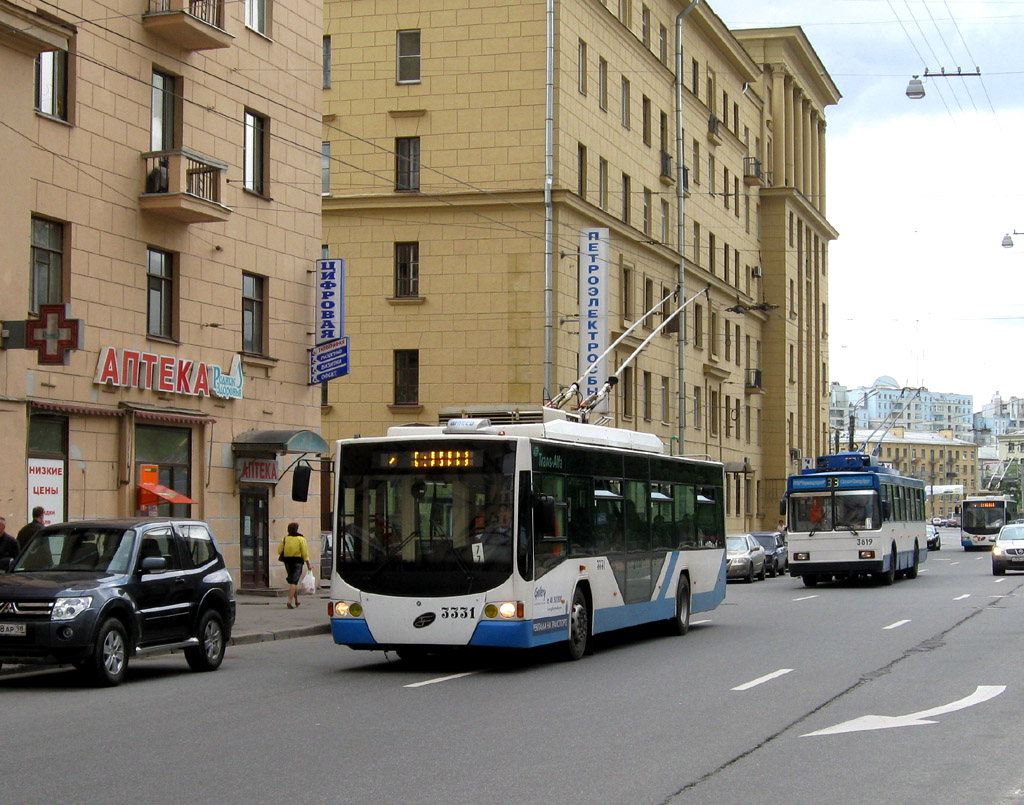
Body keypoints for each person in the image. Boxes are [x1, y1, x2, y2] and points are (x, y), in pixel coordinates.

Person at [278, 522, 312, 609]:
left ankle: (297, 601)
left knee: (293, 581)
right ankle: (289, 601)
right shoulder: (301, 539)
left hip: (287, 561)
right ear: (296, 529)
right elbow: (305, 553)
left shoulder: (285, 539)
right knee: (294, 581)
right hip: (297, 561)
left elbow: (279, 551)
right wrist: (308, 565)